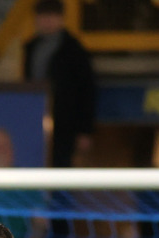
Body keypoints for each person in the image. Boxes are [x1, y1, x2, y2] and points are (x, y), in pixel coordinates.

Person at [23, 0, 95, 168]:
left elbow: (87, 90)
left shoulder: (74, 49)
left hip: (65, 120)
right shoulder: (31, 47)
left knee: (61, 165)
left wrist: (84, 130)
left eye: (51, 16)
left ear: (61, 19)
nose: (46, 21)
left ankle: (59, 195)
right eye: (42, 17)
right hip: (35, 117)